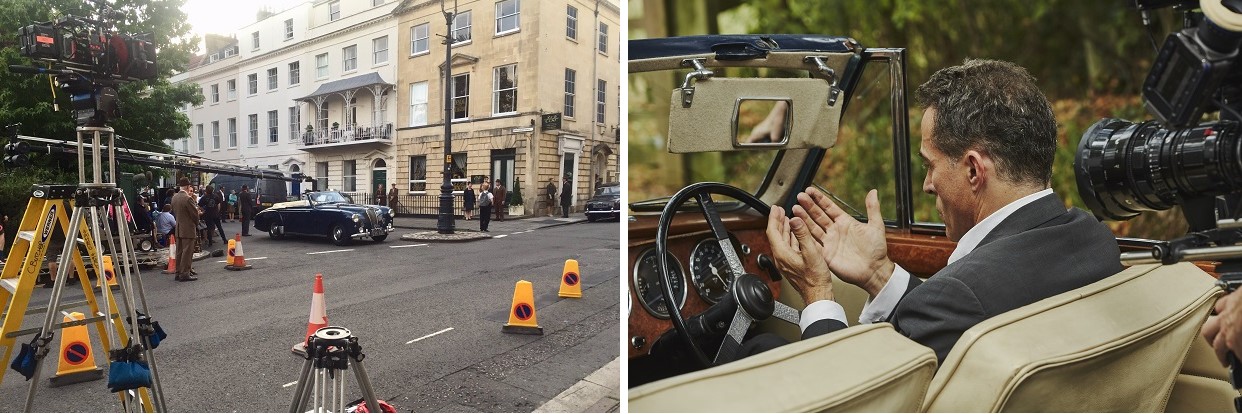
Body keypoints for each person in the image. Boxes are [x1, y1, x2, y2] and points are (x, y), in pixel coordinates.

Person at [747, 59, 1122, 364]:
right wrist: (880, 274)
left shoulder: (960, 295)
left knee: (760, 350)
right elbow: (953, 314)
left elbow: (844, 401)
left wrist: (817, 292)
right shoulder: (1095, 240)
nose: (927, 185)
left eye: (930, 165)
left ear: (974, 170)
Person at [171, 177, 199, 281]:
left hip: (178, 228)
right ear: (188, 187)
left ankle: (178, 272)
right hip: (188, 228)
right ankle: (185, 273)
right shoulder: (188, 199)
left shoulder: (174, 197)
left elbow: (174, 211)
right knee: (187, 252)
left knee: (179, 252)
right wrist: (197, 223)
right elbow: (194, 214)